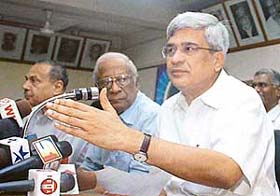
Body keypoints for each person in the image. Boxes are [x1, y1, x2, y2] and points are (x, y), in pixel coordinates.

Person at [46, 11, 280, 195]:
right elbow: (167, 182)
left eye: (189, 49)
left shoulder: (242, 99)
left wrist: (130, 139)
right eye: (170, 49)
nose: (175, 58)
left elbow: (226, 172)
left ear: (217, 59)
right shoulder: (170, 107)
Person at [77, 52, 167, 195]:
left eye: (122, 79)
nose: (114, 89)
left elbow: (143, 180)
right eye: (105, 82)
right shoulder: (104, 115)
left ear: (136, 83)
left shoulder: (154, 117)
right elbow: (89, 166)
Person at [22, 61, 89, 166]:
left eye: (34, 81)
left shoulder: (74, 119)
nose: (25, 86)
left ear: (57, 87)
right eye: (26, 80)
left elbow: (58, 164)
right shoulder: (29, 115)